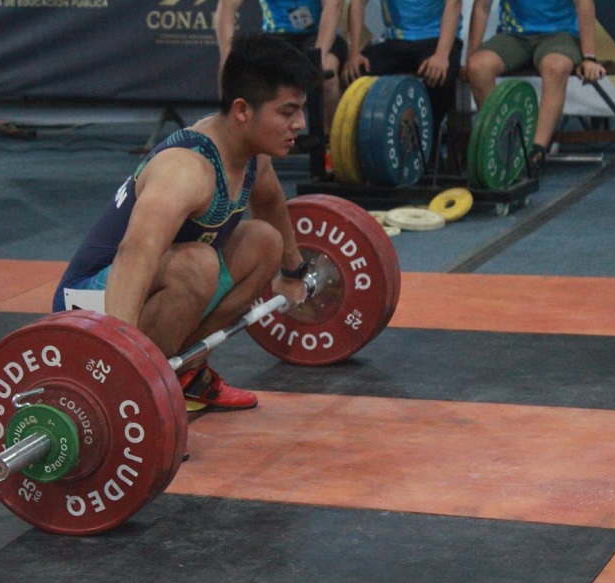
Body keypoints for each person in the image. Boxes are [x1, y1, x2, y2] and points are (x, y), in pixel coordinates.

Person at [52, 34, 317, 411]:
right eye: (287, 112)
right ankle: (132, 396)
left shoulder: (253, 156)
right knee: (197, 265)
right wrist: (117, 359)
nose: (300, 124)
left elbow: (271, 202)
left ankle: (185, 371)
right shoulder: (186, 170)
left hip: (148, 282)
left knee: (265, 243)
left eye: (301, 110)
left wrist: (293, 271)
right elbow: (135, 254)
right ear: (243, 110)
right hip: (90, 303)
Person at [465, 0, 606, 175]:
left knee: (556, 67)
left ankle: (535, 153)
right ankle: (506, 141)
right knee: (477, 67)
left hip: (560, 34)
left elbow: (584, 4)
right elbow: (482, 7)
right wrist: (470, 56)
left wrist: (589, 58)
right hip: (514, 35)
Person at [215, 0, 346, 136]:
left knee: (328, 76)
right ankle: (233, 137)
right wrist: (227, 53)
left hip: (317, 34)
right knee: (236, 71)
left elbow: (333, 5)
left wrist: (319, 55)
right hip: (276, 35)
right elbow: (227, 5)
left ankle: (332, 140)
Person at [341, 0, 464, 135]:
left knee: (440, 76)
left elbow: (454, 3)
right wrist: (354, 53)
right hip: (397, 40)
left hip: (437, 38)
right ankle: (367, 145)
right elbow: (358, 3)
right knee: (353, 73)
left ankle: (429, 144)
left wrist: (441, 55)